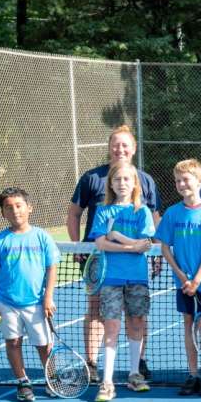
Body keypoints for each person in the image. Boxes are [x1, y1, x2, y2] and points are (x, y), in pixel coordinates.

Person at [67, 124, 161, 381]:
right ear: (109, 147)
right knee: (96, 309)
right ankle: (92, 363)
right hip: (98, 259)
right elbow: (74, 214)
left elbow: (154, 219)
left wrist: (153, 253)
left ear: (133, 149)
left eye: (125, 144)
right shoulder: (91, 178)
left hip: (135, 262)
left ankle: (139, 362)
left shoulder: (145, 180)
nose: (120, 148)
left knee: (137, 313)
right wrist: (77, 246)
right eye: (115, 144)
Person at [155, 159, 201, 396]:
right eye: (177, 180)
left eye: (186, 179)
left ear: (199, 181)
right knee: (188, 326)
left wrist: (196, 280)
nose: (181, 184)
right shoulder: (173, 213)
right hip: (182, 284)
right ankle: (193, 373)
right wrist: (181, 276)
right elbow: (165, 247)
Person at [0, 187, 59, 402]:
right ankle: (23, 382)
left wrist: (48, 297)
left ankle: (51, 378)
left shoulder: (42, 237)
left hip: (36, 302)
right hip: (6, 303)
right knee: (13, 342)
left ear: (29, 208)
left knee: (44, 345)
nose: (15, 210)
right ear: (3, 212)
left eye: (19, 205)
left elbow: (51, 267)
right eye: (9, 207)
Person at [88, 162, 156, 402]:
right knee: (112, 327)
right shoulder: (103, 210)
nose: (122, 183)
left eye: (127, 179)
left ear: (135, 183)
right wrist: (130, 245)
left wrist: (116, 236)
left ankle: (135, 374)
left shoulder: (142, 211)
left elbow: (145, 245)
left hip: (137, 276)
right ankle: (107, 382)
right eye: (117, 180)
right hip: (111, 278)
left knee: (136, 322)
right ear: (111, 184)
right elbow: (101, 243)